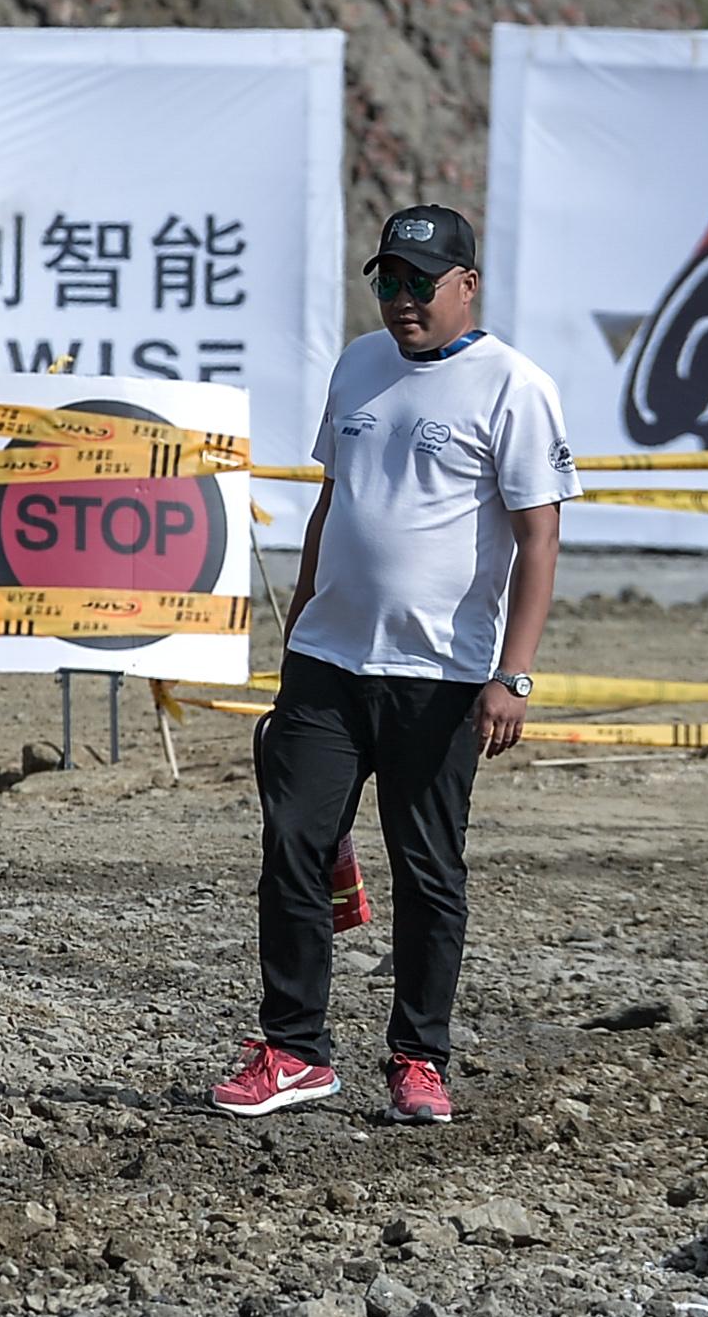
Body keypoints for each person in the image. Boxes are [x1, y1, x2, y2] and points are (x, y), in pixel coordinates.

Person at [214, 203, 571, 1127]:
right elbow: (333, 507)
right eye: (388, 280)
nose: (403, 300)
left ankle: (419, 1057)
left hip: (442, 676)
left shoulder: (515, 387)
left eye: (421, 282)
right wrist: (295, 632)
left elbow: (539, 541)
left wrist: (514, 674)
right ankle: (295, 1049)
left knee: (428, 871)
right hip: (328, 661)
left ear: (468, 285)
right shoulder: (360, 366)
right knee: (292, 846)